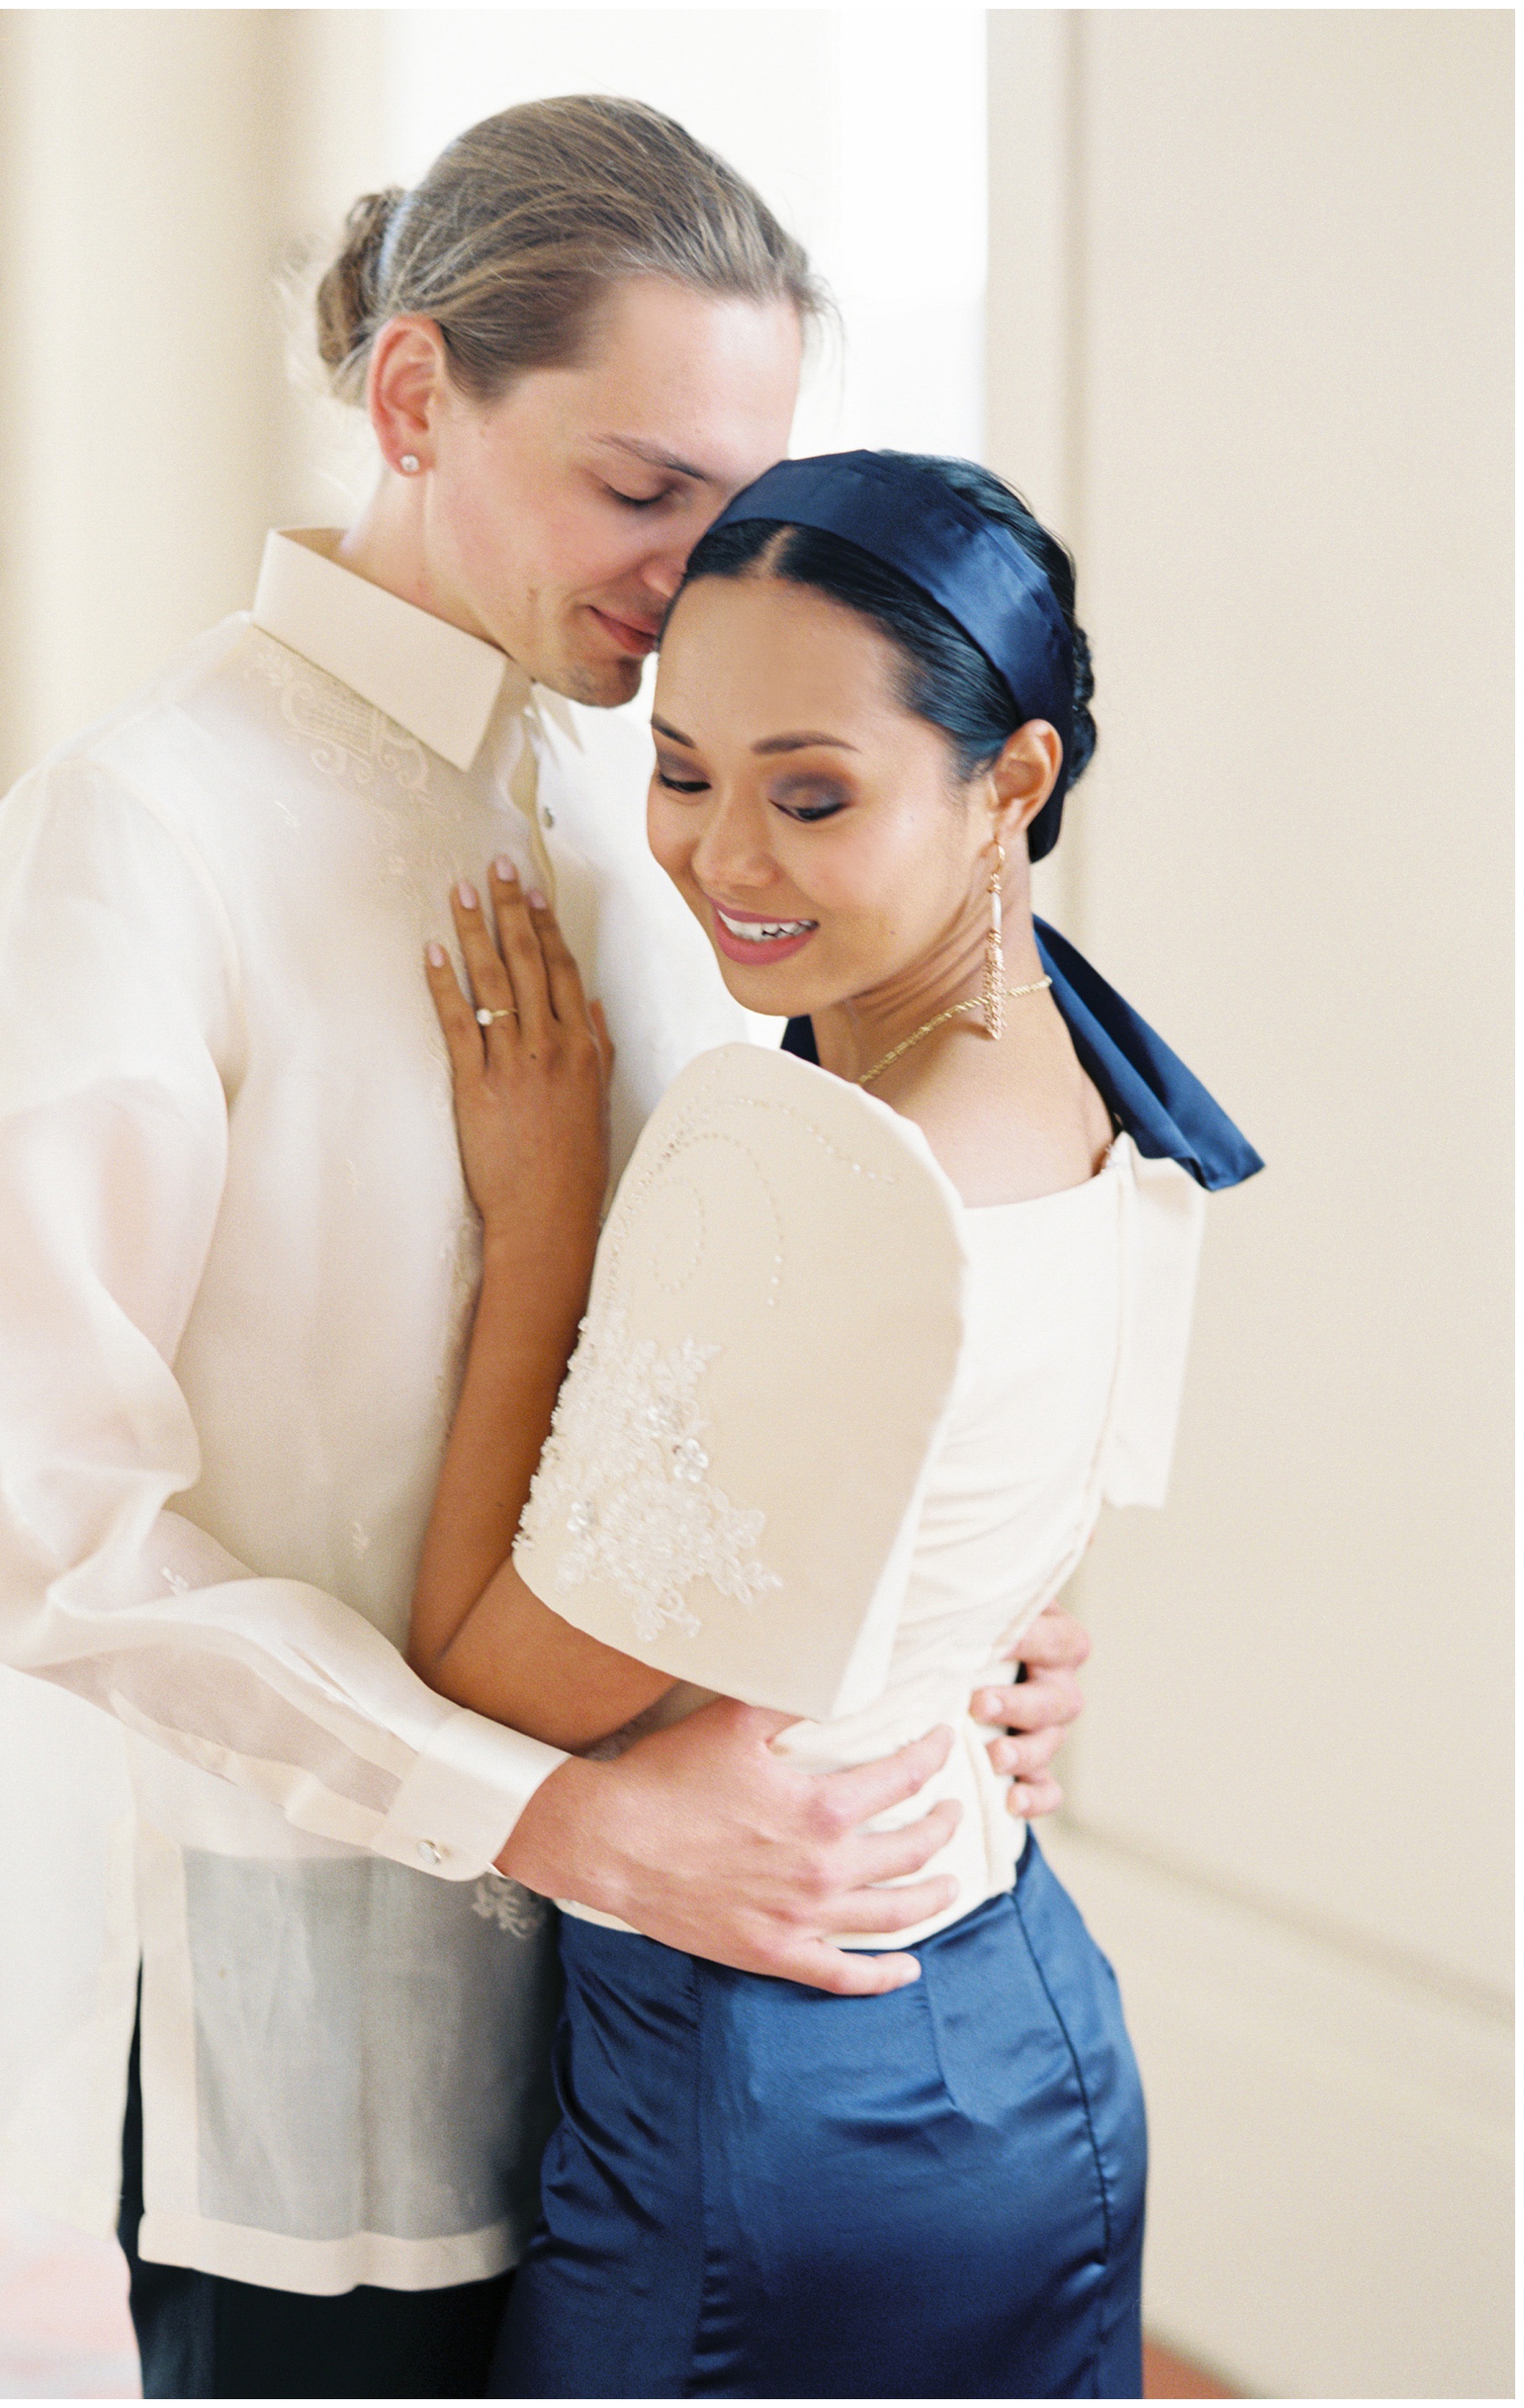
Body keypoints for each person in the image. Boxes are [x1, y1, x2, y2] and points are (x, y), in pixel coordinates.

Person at [0, 104, 1093, 2402]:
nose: (692, 573)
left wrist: (970, 1621)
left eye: (733, 503)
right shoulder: (130, 839)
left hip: (693, 2036)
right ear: (415, 397)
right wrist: (560, 1814)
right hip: (337, 2034)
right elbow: (46, 1536)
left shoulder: (674, 799)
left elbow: (796, 1318)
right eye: (638, 490)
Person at [408, 449, 1263, 2397]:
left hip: (774, 2084)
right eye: (684, 771)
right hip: (1023, 2025)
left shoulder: (815, 1175)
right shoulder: (1088, 1072)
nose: (721, 858)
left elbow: (493, 1677)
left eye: (811, 796)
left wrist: (543, 1203)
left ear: (1010, 781)